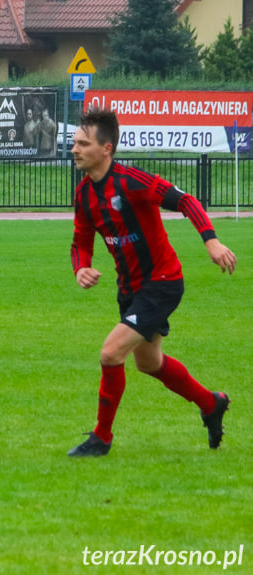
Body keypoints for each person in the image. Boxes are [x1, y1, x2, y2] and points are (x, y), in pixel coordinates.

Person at [67, 108, 236, 457]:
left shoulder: (132, 182)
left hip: (162, 282)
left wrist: (211, 240)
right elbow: (80, 242)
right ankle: (211, 403)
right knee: (148, 363)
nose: (75, 149)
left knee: (111, 353)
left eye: (83, 143)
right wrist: (81, 268)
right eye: (74, 143)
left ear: (106, 148)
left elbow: (185, 200)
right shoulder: (84, 195)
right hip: (130, 288)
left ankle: (101, 438)